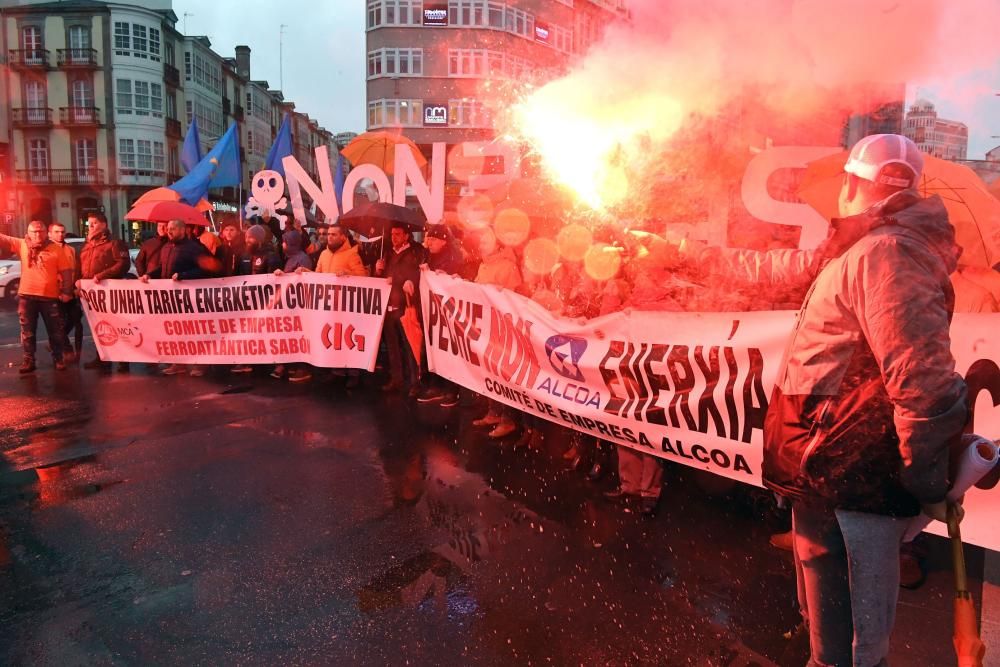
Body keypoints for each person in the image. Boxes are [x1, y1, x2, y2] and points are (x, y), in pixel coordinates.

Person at [682, 134, 968, 667]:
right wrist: (675, 252)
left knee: (852, 652)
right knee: (828, 634)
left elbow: (924, 384)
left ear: (854, 183)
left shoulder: (886, 253)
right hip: (830, 471)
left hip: (852, 475)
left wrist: (927, 481)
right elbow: (773, 273)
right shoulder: (866, 247)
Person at [0, 220, 74, 373]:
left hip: (49, 297)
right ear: (28, 233)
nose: (37, 234)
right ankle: (29, 360)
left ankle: (58, 358)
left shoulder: (56, 249)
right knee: (27, 332)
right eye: (34, 231)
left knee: (55, 330)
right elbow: (3, 239)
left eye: (40, 231)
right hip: (26, 297)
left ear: (46, 233)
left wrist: (67, 291)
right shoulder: (22, 244)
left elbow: (66, 272)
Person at [142, 220, 213, 376]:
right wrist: (149, 274)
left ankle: (199, 364)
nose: (169, 231)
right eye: (168, 229)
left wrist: (184, 275)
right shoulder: (166, 247)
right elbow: (162, 267)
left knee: (193, 332)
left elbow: (207, 269)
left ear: (183, 230)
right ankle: (178, 363)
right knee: (175, 333)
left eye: (173, 228)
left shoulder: (195, 248)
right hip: (171, 299)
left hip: (190, 298)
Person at [300, 223, 368, 387]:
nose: (329, 237)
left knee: (349, 339)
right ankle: (337, 371)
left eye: (333, 234)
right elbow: (318, 276)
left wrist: (349, 274)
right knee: (334, 338)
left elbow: (363, 277)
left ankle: (353, 373)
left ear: (343, 237)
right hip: (329, 306)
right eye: (328, 234)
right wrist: (305, 272)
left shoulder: (352, 255)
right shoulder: (323, 254)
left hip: (347, 307)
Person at [471, 228, 522, 438]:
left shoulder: (507, 266)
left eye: (487, 238)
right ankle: (494, 412)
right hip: (487, 326)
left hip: (502, 329)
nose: (481, 241)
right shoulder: (485, 264)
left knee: (502, 374)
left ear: (497, 243)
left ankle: (508, 419)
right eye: (481, 237)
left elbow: (514, 298)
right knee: (490, 372)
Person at [375, 221, 426, 395]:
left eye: (397, 234)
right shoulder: (388, 253)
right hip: (389, 305)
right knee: (393, 345)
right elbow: (383, 278)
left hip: (405, 305)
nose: (393, 238)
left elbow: (416, 276)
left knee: (410, 345)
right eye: (392, 234)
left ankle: (415, 382)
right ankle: (397, 379)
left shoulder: (416, 252)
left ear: (406, 236)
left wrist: (396, 280)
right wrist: (379, 270)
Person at [415, 225, 464, 407]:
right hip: (431, 313)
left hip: (446, 317)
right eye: (428, 238)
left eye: (433, 239)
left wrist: (445, 278)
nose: (429, 242)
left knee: (447, 351)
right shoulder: (428, 256)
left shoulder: (454, 259)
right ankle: (434, 386)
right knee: (431, 351)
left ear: (444, 240)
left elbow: (461, 283)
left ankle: (450, 390)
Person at [77, 213, 131, 371]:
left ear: (104, 225)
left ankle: (123, 360)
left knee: (117, 326)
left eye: (94, 223)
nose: (90, 226)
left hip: (110, 293)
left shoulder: (114, 243)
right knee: (99, 327)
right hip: (92, 295)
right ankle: (103, 357)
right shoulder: (87, 245)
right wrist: (79, 282)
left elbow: (123, 264)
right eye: (89, 224)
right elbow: (82, 266)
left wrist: (101, 276)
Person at [229, 224, 283, 375]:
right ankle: (246, 361)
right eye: (247, 237)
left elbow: (275, 281)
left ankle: (277, 363)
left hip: (265, 303)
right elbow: (236, 276)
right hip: (247, 301)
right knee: (247, 333)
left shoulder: (271, 256)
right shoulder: (243, 256)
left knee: (270, 333)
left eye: (251, 238)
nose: (247, 240)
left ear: (259, 240)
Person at [272, 229, 314, 382]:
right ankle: (291, 365)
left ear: (292, 243)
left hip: (299, 305)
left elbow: (306, 279)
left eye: (285, 241)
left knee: (300, 336)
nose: (282, 244)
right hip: (290, 304)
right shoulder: (291, 258)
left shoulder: (303, 258)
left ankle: (302, 368)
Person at [48, 222, 83, 363]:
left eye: (62, 231)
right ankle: (67, 350)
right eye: (56, 232)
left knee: (76, 320)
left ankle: (75, 353)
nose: (60, 234)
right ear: (50, 234)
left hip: (71, 292)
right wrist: (57, 292)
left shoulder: (70, 249)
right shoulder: (48, 250)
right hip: (55, 294)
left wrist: (76, 287)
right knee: (59, 324)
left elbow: (75, 270)